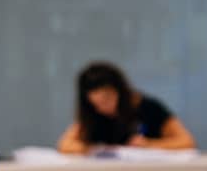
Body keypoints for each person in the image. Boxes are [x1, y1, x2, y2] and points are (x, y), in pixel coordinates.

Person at [56, 62, 196, 154]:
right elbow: (65, 144)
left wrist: (149, 144)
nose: (102, 108)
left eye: (107, 100)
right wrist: (95, 149)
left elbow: (187, 141)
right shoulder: (93, 114)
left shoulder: (148, 108)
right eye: (96, 104)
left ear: (120, 92)